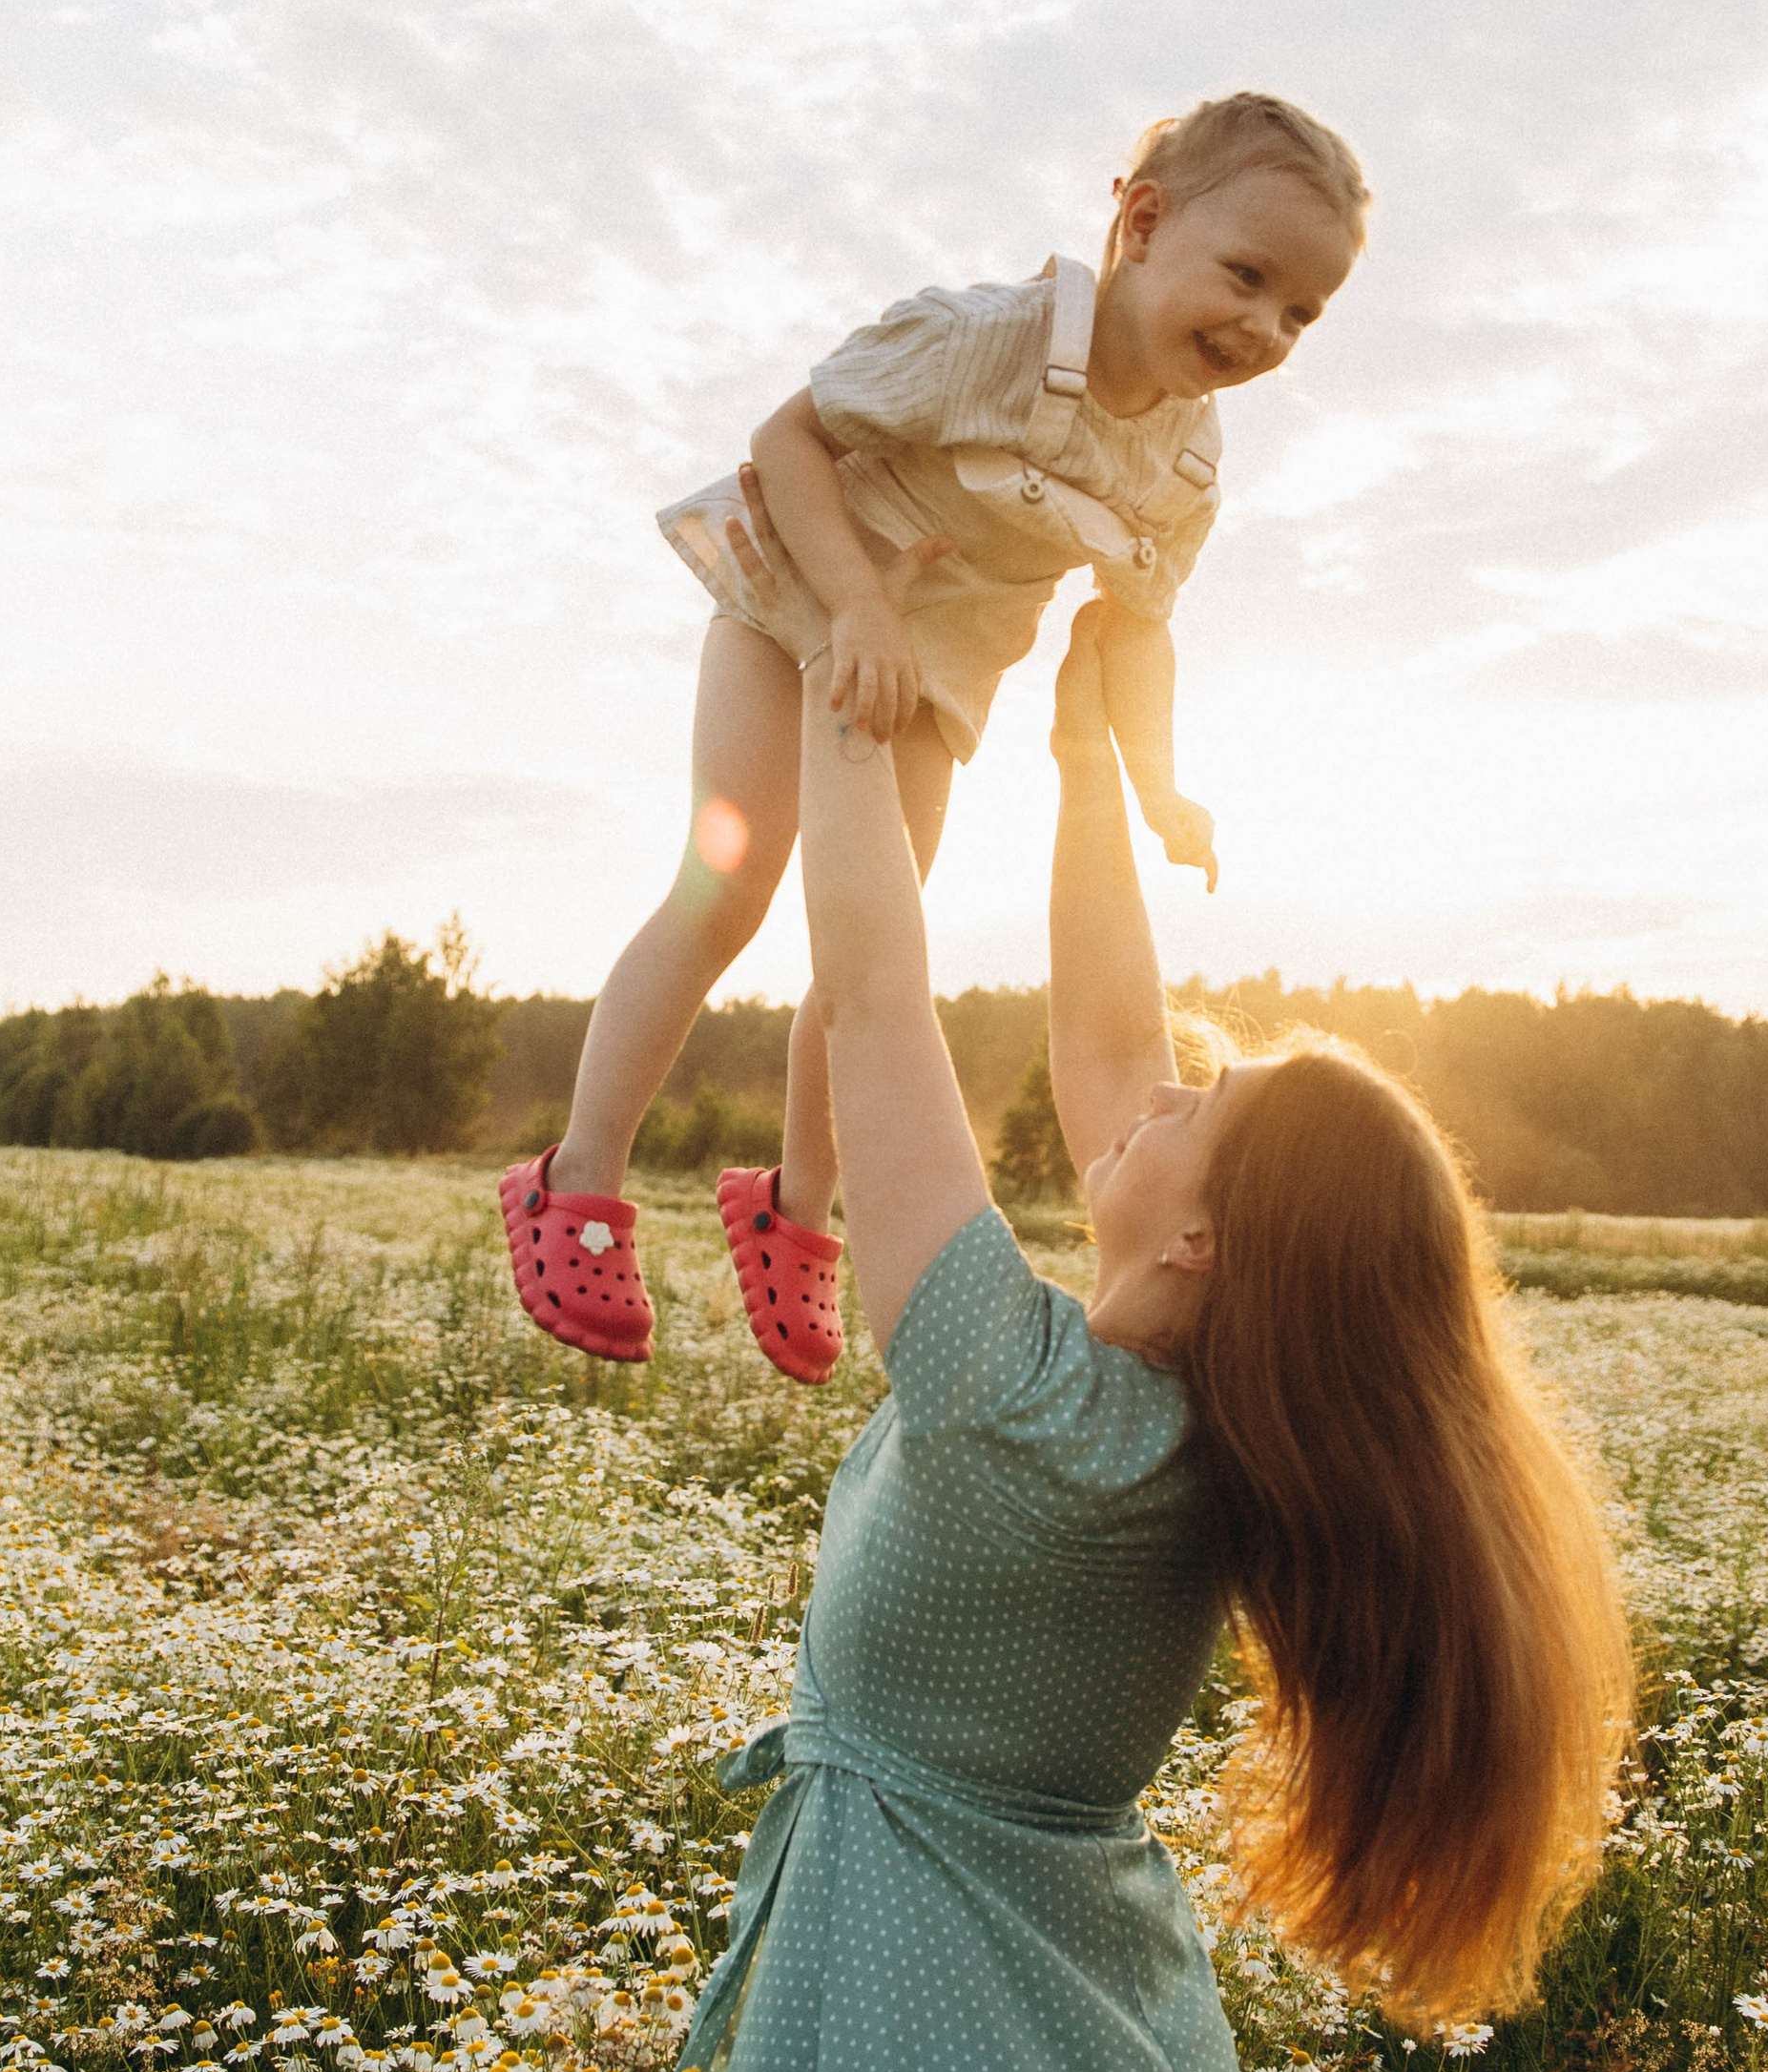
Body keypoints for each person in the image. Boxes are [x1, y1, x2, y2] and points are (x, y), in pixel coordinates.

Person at [655, 561, 1633, 2072]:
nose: (1158, 1080)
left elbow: (878, 993)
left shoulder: (1003, 1390)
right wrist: (1087, 756)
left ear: (1198, 1237)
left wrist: (845, 659)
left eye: (1204, 1097)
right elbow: (1111, 1037)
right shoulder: (1213, 1428)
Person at [501, 93, 1368, 1385]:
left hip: (933, 676)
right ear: (1140, 224)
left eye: (1303, 310)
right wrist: (855, 598)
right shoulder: (990, 341)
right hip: (800, 593)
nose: (1265, 326)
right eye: (1248, 275)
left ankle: (795, 1208)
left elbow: (1133, 629)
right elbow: (786, 438)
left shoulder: (1183, 466)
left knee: (874, 947)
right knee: (726, 883)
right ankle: (577, 1176)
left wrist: (1161, 784)